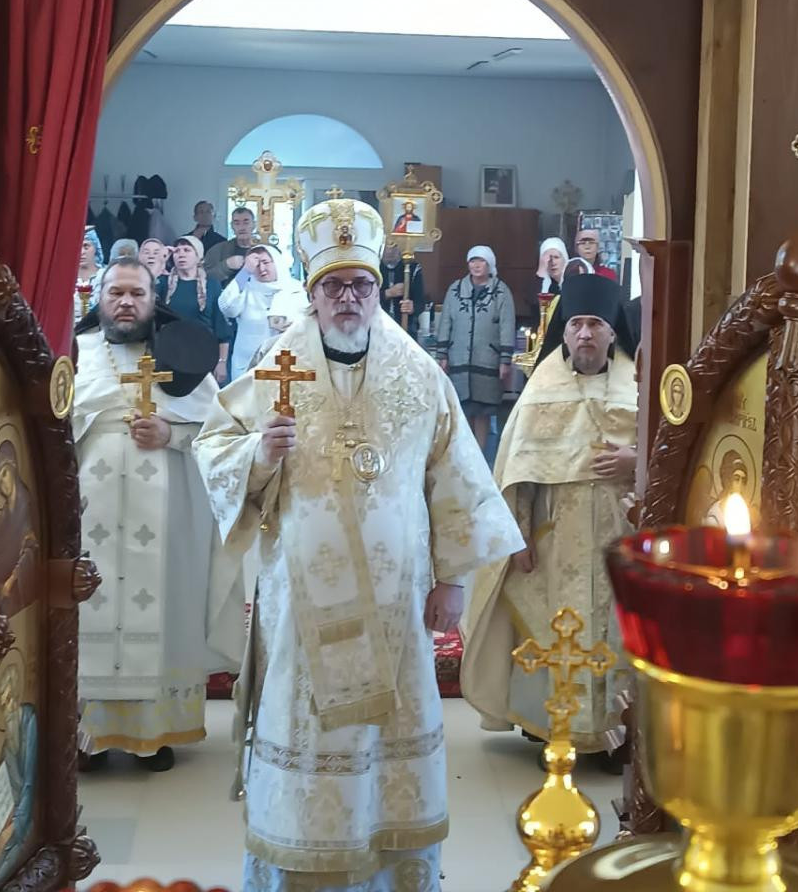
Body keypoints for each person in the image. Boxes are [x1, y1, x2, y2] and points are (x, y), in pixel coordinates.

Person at [193, 197, 523, 892]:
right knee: (306, 723)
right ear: (312, 294)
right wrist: (259, 453)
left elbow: (456, 476)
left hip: (398, 600)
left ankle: (389, 873)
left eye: (362, 285)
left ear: (378, 288)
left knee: (391, 735)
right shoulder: (278, 364)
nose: (349, 298)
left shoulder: (419, 374)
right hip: (300, 601)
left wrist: (452, 580)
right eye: (334, 286)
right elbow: (215, 446)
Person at [74, 258, 245, 773]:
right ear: (100, 298)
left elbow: (218, 434)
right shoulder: (76, 354)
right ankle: (86, 736)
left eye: (137, 293)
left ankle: (155, 734)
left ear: (155, 300)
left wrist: (172, 434)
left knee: (165, 608)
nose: (126, 302)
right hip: (87, 515)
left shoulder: (182, 358)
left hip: (168, 517)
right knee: (86, 610)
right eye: (116, 293)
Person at [462, 273, 638, 765]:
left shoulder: (637, 385)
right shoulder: (543, 387)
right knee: (555, 632)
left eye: (595, 324)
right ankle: (557, 727)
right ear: (563, 332)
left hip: (621, 534)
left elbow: (670, 451)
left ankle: (616, 731)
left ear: (612, 332)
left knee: (616, 632)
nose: (585, 334)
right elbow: (515, 471)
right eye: (576, 324)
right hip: (555, 538)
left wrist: (636, 461)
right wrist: (516, 535)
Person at [436, 245, 516, 454]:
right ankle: (465, 453)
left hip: (487, 358)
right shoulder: (455, 289)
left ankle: (479, 453)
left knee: (483, 411)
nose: (476, 265)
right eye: (473, 261)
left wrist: (505, 360)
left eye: (481, 261)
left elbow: (507, 325)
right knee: (463, 409)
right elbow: (446, 322)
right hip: (459, 358)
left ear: (490, 265)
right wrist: (442, 354)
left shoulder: (501, 291)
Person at [218, 243, 307, 381]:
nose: (262, 269)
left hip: (288, 364)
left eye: (265, 262)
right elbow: (227, 307)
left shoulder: (297, 289)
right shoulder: (246, 289)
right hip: (249, 366)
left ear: (277, 262)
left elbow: (310, 322)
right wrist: (244, 272)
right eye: (256, 265)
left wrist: (292, 325)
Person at [0, 659, 38, 885]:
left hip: (22, 821)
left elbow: (28, 785)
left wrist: (13, 828)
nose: (6, 707)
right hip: (7, 816)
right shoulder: (7, 739)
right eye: (2, 702)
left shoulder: (28, 722)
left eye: (9, 698)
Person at [158, 235, 231, 383]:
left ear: (199, 257)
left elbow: (221, 327)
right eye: (177, 251)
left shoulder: (212, 285)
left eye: (187, 250)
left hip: (203, 352)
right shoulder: (164, 284)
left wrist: (222, 362)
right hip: (172, 353)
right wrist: (161, 260)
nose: (181, 254)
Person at [0, 441, 40, 619]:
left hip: (17, 577)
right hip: (0, 568)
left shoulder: (26, 502)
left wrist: (11, 581)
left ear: (13, 468)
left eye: (4, 474)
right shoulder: (6, 510)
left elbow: (31, 549)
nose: (3, 483)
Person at [379, 239, 425, 338]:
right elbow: (363, 299)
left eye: (394, 246)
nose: (390, 251)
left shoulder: (412, 267)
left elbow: (421, 303)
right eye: (387, 246)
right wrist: (387, 293)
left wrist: (412, 307)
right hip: (378, 329)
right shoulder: (373, 266)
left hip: (406, 330)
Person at [204, 206, 259, 286]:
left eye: (246, 223)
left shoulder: (265, 251)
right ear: (232, 226)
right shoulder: (217, 250)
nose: (241, 227)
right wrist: (226, 265)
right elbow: (205, 279)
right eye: (237, 223)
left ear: (254, 225)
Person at [74, 226, 104, 321]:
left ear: (95, 247)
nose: (81, 252)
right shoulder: (65, 280)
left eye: (86, 246)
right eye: (77, 246)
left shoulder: (106, 276)